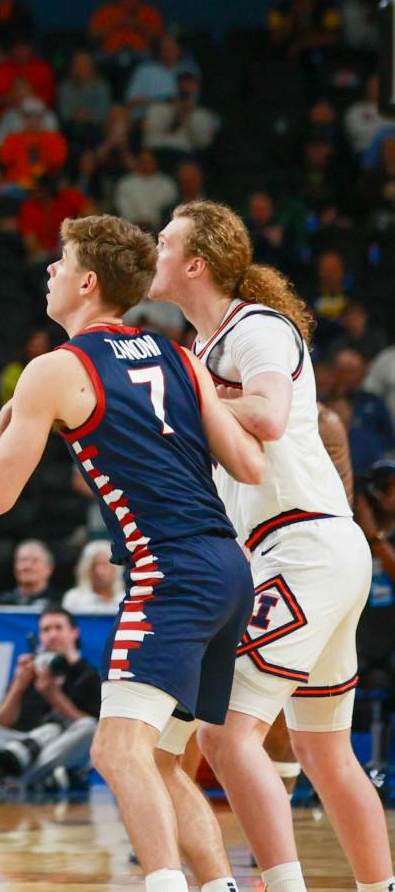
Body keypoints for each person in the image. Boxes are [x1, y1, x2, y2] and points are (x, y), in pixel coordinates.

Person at [0, 214, 265, 892]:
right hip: (227, 567)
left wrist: (8, 417)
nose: (49, 270)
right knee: (163, 759)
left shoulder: (54, 369)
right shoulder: (177, 354)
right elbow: (249, 465)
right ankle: (219, 884)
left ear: (87, 281)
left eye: (60, 260)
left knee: (116, 749)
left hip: (169, 571)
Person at [152, 202, 393, 892]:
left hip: (301, 547)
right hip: (306, 550)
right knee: (324, 751)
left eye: (164, 242)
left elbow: (267, 412)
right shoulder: (201, 351)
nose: (153, 251)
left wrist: (175, 402)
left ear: (196, 262)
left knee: (224, 736)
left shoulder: (256, 327)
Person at [0, 605, 101, 790]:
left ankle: (11, 781)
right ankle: (33, 778)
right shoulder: (30, 670)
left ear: (74, 632)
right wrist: (18, 685)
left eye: (58, 628)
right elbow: (1, 723)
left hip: (59, 746)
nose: (52, 634)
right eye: (46, 630)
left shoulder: (89, 674)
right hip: (18, 743)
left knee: (88, 728)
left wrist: (53, 695)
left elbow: (96, 733)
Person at [63, 539, 124, 614]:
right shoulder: (73, 599)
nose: (99, 572)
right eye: (93, 565)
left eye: (104, 565)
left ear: (115, 569)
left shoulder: (127, 599)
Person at [0, 539, 58, 605]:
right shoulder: (2, 602)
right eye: (22, 560)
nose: (27, 566)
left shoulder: (60, 602)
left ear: (49, 568)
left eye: (35, 561)